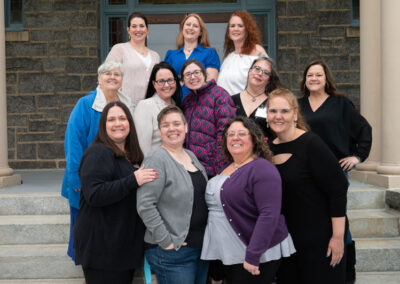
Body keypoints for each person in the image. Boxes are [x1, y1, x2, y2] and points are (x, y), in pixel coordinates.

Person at [298, 60, 372, 283]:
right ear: (304, 79)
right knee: (313, 219)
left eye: (318, 75)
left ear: (326, 78)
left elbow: (364, 129)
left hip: (334, 172)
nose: (314, 79)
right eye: (310, 75)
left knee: (337, 218)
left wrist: (357, 156)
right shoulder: (298, 105)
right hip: (305, 172)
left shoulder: (340, 104)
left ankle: (346, 269)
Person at [266, 88, 348, 284]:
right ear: (266, 114)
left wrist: (338, 237)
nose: (278, 116)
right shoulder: (267, 148)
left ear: (295, 114)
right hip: (286, 242)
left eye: (284, 111)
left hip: (320, 239)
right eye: (273, 111)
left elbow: (338, 189)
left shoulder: (311, 143)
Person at [201, 116, 295, 284]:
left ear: (254, 139)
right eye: (230, 134)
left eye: (241, 133)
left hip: (253, 252)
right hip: (228, 252)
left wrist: (253, 255)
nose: (235, 138)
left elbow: (269, 214)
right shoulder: (227, 167)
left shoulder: (262, 168)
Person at [73, 101, 157, 284]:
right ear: (103, 126)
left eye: (122, 118)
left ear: (130, 123)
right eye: (111, 119)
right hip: (102, 248)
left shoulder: (132, 155)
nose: (117, 123)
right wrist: (133, 180)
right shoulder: (98, 152)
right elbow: (94, 194)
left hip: (122, 247)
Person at [61, 60, 134, 264]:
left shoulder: (127, 104)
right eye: (107, 74)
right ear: (99, 79)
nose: (112, 77)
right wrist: (77, 183)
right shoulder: (85, 104)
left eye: (117, 74)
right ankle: (86, 268)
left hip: (116, 179)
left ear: (121, 80)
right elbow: (73, 145)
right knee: (85, 228)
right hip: (87, 179)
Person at [137, 105, 209, 284]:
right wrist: (166, 241)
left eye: (176, 123)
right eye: (165, 125)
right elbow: (145, 205)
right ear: (159, 130)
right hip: (173, 253)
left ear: (186, 127)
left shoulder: (191, 155)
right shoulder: (156, 159)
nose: (172, 129)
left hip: (199, 247)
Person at [181, 59, 236, 177]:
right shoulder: (187, 101)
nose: (193, 77)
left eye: (196, 72)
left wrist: (220, 168)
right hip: (192, 167)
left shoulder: (220, 96)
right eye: (188, 74)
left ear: (204, 75)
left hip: (213, 168)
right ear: (183, 80)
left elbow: (226, 133)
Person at [106, 12, 160, 106]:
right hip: (125, 106)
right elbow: (108, 77)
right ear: (128, 30)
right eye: (134, 26)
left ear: (147, 29)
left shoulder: (155, 56)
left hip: (151, 107)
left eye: (141, 26)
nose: (138, 29)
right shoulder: (119, 49)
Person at [165, 13, 220, 100]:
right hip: (175, 103)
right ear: (182, 28)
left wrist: (181, 81)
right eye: (188, 24)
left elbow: (209, 83)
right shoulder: (171, 54)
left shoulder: (210, 53)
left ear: (200, 32)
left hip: (199, 103)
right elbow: (165, 81)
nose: (190, 28)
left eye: (195, 26)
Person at [133, 62, 182, 156]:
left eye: (170, 80)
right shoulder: (145, 106)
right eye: (161, 81)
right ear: (154, 84)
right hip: (156, 166)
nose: (167, 85)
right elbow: (142, 147)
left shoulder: (178, 106)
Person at [217, 10, 268, 96]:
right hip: (226, 107)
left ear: (247, 29)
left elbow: (268, 78)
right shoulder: (229, 57)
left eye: (240, 26)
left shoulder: (257, 51)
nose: (235, 29)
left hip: (246, 107)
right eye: (232, 26)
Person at [232, 56, 283, 140]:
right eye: (257, 68)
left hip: (265, 152)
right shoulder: (231, 101)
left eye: (266, 73)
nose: (259, 73)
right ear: (249, 71)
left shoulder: (272, 103)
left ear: (269, 80)